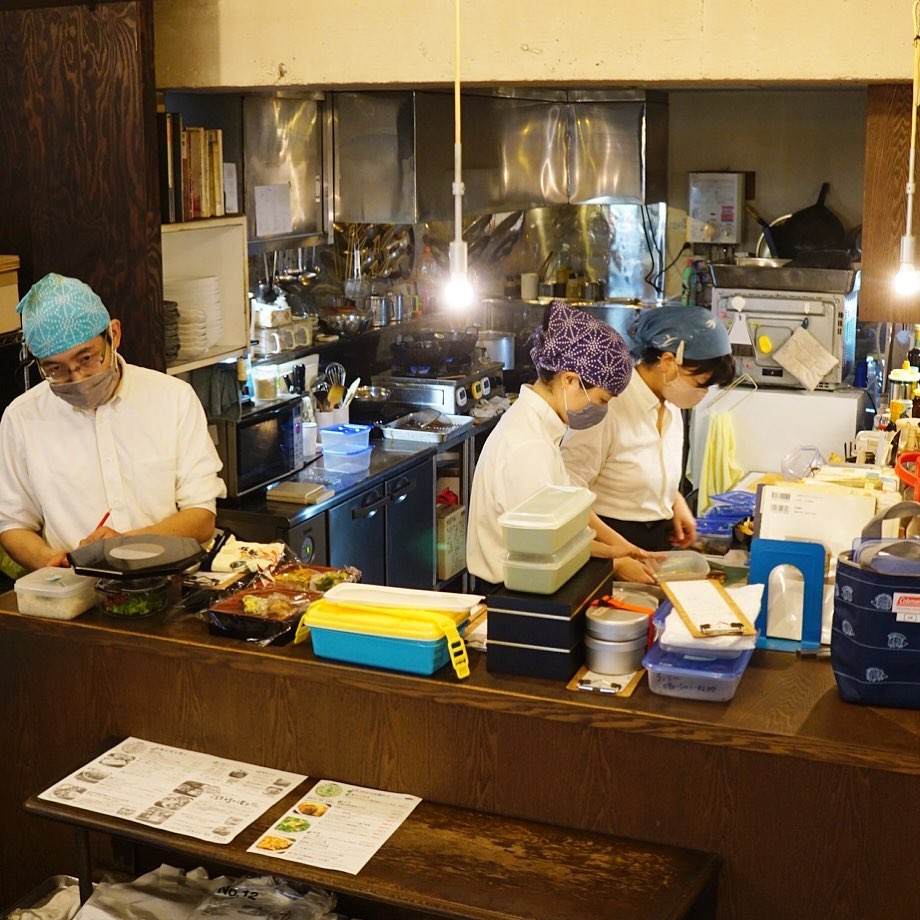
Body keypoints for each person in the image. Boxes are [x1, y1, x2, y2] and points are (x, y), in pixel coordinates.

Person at [0, 273, 226, 571]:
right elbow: (14, 523)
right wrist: (49, 560)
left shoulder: (172, 399)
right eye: (56, 370)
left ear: (114, 334)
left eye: (87, 359)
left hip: (170, 585)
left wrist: (125, 545)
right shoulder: (23, 418)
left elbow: (201, 517)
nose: (77, 378)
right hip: (76, 591)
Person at [466, 301, 658, 588]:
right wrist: (613, 560)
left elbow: (569, 508)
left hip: (532, 578)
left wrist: (625, 546)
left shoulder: (543, 427)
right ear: (570, 380)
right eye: (602, 400)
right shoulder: (529, 445)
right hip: (512, 589)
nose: (601, 410)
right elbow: (544, 541)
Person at [561, 304, 734, 552]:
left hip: (658, 540)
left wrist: (674, 501)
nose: (702, 394)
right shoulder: (608, 405)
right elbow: (568, 491)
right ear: (668, 361)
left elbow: (652, 466)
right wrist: (617, 553)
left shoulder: (672, 404)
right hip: (609, 540)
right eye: (699, 383)